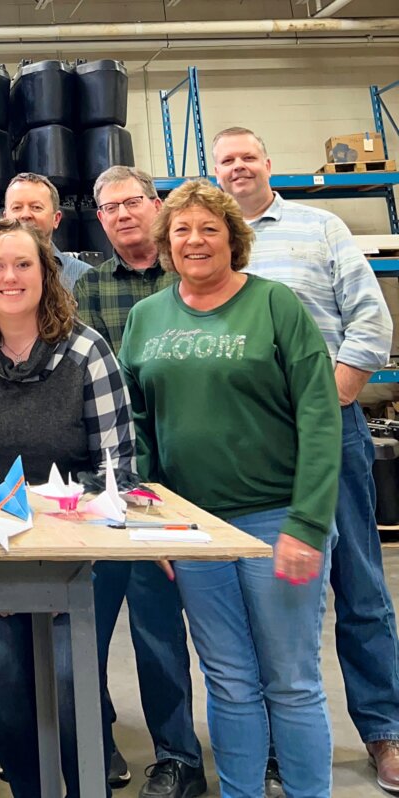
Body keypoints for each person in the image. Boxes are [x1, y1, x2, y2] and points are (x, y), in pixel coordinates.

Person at [119, 179, 342, 797]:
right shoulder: (146, 317)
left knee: (291, 680)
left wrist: (308, 524)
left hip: (277, 523)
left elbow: (320, 417)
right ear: (166, 243)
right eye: (182, 230)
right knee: (228, 678)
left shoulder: (276, 305)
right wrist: (150, 521)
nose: (195, 241)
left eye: (209, 228)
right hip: (193, 530)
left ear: (233, 238)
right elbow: (135, 431)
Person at [212, 126, 399, 796]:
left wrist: (329, 404)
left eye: (247, 157)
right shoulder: (215, 245)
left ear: (268, 163)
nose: (237, 168)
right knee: (267, 595)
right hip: (249, 447)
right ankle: (272, 741)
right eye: (225, 161)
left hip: (332, 430)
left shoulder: (320, 228)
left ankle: (385, 730)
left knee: (360, 584)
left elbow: (371, 325)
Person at [0, 216, 132, 798]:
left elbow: (118, 471)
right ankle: (28, 789)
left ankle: (82, 786)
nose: (10, 276)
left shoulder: (88, 352)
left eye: (24, 264)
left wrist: (46, 534)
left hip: (77, 550)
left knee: (69, 681)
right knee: (1, 682)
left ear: (48, 273)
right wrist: (4, 548)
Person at [73, 166, 206, 798]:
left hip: (181, 478)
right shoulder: (90, 290)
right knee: (88, 628)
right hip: (107, 481)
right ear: (99, 219)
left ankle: (178, 755)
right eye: (110, 207)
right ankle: (92, 746)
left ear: (155, 205)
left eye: (134, 202)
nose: (124, 214)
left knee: (161, 633)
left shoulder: (190, 281)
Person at [4, 172, 92, 291]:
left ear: (56, 219)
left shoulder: (86, 277)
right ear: (5, 218)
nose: (25, 215)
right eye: (17, 208)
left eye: (36, 207)